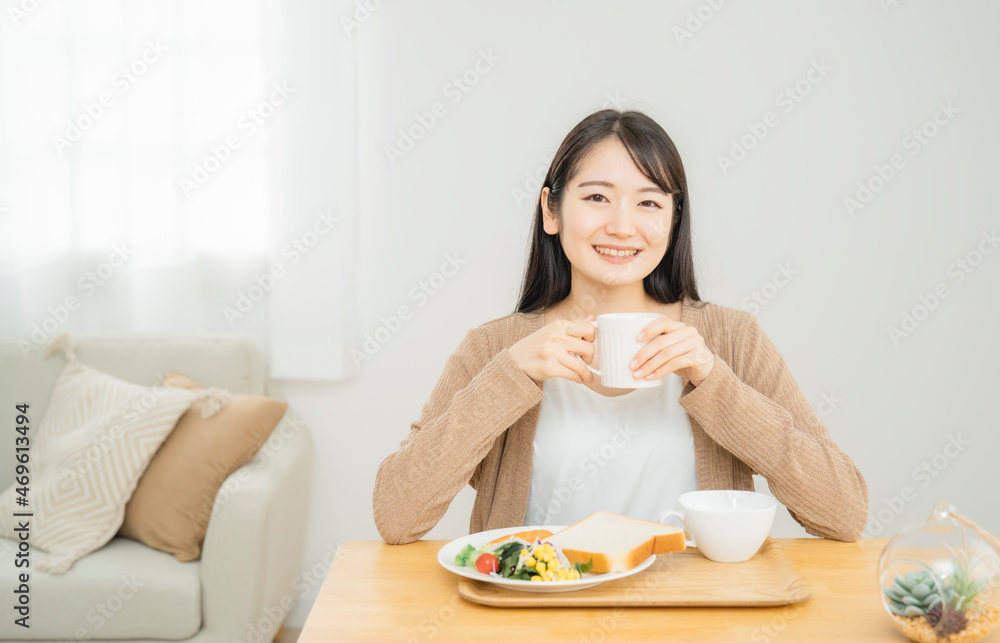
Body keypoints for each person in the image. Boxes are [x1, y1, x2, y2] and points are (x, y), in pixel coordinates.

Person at [372, 109, 868, 545]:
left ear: (674, 221)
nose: (623, 226)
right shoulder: (495, 348)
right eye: (596, 198)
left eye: (649, 203)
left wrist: (715, 383)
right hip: (541, 620)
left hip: (693, 621)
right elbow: (396, 516)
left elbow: (845, 512)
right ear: (551, 210)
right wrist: (507, 378)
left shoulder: (731, 339)